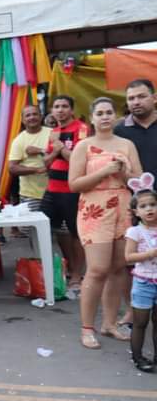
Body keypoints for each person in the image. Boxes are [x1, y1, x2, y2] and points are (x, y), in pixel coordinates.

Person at [69, 97, 142, 349]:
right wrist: (104, 170)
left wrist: (122, 171)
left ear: (115, 116)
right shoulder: (84, 146)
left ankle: (110, 323)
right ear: (92, 118)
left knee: (118, 268)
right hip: (94, 208)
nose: (105, 117)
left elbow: (138, 180)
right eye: (99, 113)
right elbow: (74, 183)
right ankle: (86, 327)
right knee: (98, 268)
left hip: (123, 207)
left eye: (109, 112)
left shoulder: (126, 144)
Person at [42, 96, 89, 291]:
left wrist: (60, 148)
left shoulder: (82, 128)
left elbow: (81, 161)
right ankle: (58, 269)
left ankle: (77, 274)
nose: (60, 110)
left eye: (64, 107)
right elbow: (46, 162)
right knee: (44, 229)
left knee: (76, 233)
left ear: (71, 110)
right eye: (57, 107)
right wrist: (56, 150)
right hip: (52, 188)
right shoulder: (53, 132)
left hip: (72, 190)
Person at [124, 174, 157, 372]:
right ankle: (138, 357)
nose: (149, 209)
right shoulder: (135, 232)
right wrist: (150, 254)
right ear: (136, 211)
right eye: (143, 206)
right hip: (143, 283)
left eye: (152, 204)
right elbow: (128, 257)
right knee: (140, 322)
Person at [8, 104, 53, 209]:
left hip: (55, 192)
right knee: (32, 226)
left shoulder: (52, 133)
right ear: (23, 120)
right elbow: (12, 168)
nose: (32, 117)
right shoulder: (19, 140)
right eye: (28, 115)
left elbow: (61, 153)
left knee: (57, 225)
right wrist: (36, 170)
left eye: (35, 114)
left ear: (41, 117)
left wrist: (40, 150)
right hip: (31, 195)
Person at [115, 79, 157, 175]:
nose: (136, 102)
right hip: (133, 188)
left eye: (141, 97)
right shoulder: (119, 131)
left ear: (154, 98)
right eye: (131, 98)